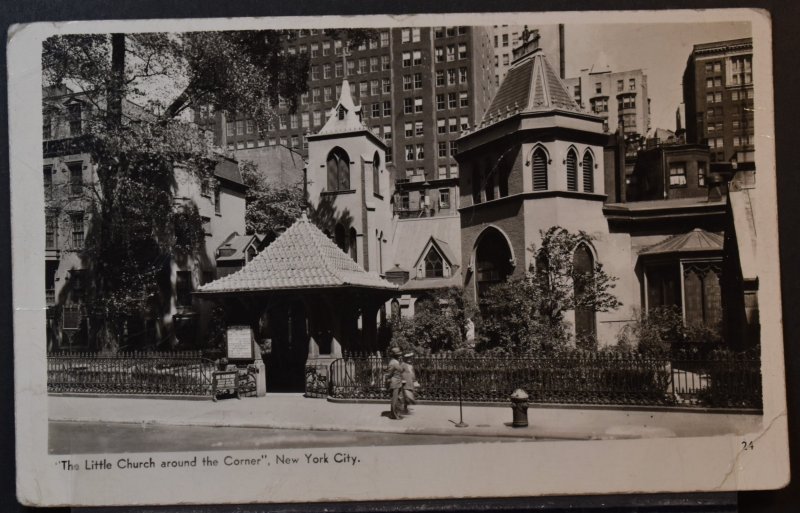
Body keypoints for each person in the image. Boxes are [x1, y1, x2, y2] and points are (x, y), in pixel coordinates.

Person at [383, 347, 404, 420]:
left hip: (398, 381)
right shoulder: (393, 362)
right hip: (394, 382)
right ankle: (394, 415)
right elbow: (389, 374)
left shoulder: (397, 361)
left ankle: (397, 413)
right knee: (394, 399)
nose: (400, 355)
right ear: (395, 355)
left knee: (399, 398)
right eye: (399, 354)